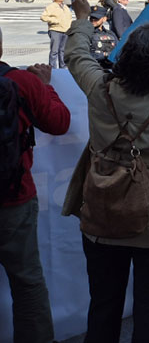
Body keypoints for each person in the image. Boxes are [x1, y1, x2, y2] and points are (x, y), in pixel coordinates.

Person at [63, 0, 149, 343]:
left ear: (124, 57)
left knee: (104, 303)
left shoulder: (100, 89)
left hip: (102, 212)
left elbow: (77, 54)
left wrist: (81, 18)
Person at [0, 28, 71, 343]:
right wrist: (47, 87)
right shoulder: (23, 82)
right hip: (13, 199)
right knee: (27, 282)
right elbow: (60, 122)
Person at [40, 0, 72, 69]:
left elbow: (69, 18)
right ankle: (53, 67)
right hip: (55, 30)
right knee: (54, 51)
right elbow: (43, 17)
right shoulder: (51, 6)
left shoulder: (65, 6)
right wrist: (54, 21)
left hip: (65, 30)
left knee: (63, 51)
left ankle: (63, 67)